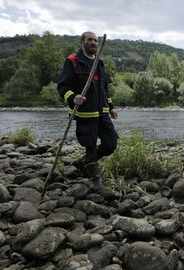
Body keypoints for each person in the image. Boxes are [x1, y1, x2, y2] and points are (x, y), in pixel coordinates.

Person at [57, 31, 118, 190]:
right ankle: (95, 177)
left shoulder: (100, 63)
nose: (93, 43)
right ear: (82, 42)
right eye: (90, 40)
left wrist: (111, 107)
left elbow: (104, 88)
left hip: (102, 113)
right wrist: (72, 98)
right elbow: (63, 87)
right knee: (90, 144)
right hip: (85, 114)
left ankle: (84, 161)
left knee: (111, 143)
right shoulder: (72, 61)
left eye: (96, 41)